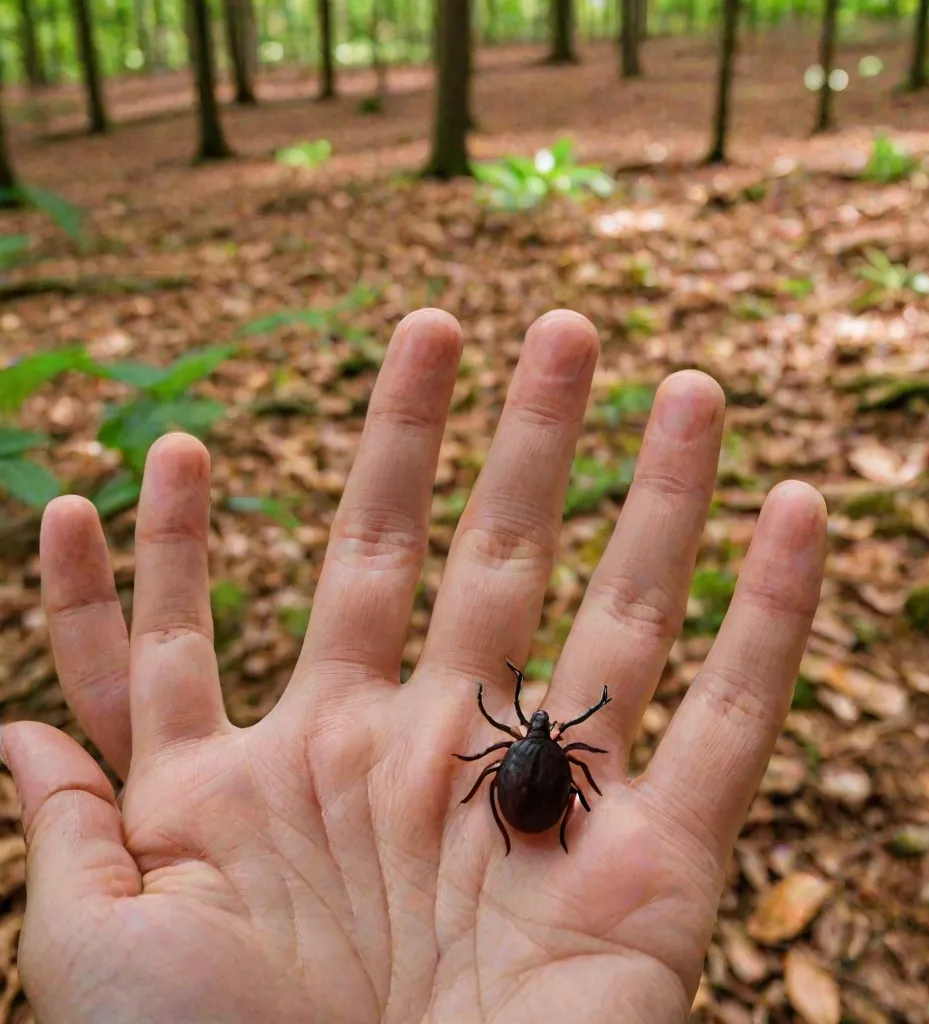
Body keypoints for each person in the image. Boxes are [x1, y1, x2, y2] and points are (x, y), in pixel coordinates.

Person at [1, 309, 826, 1023]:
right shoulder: (558, 760)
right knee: (540, 785)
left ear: (527, 734)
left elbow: (494, 767)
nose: (537, 727)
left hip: (515, 802)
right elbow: (560, 783)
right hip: (529, 806)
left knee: (514, 782)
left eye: (536, 726)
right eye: (538, 724)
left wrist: (502, 779)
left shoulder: (509, 752)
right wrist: (558, 798)